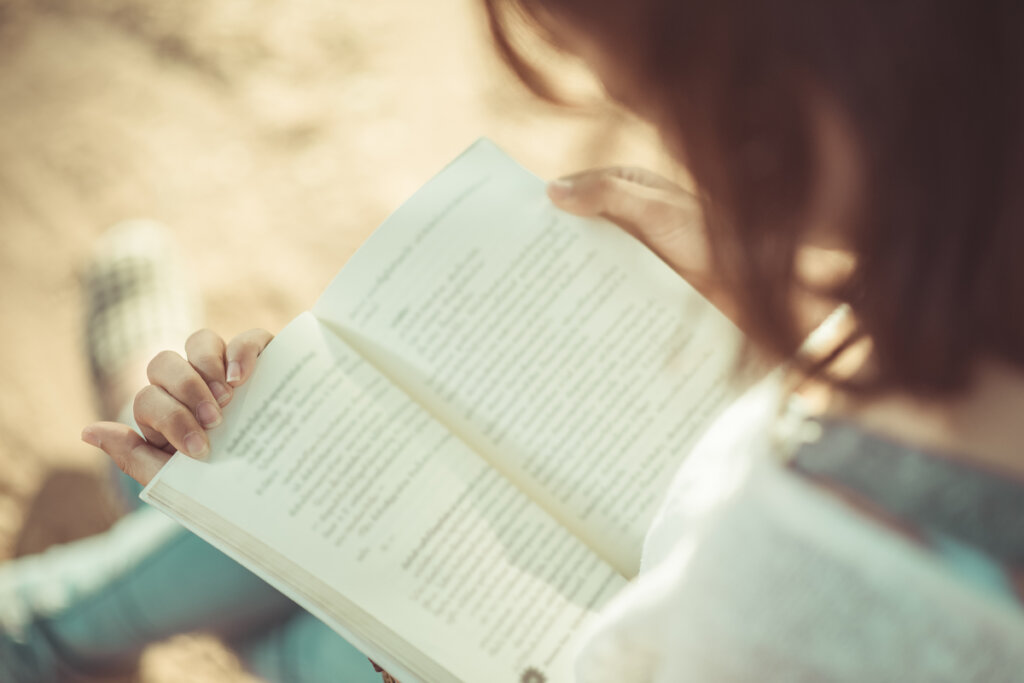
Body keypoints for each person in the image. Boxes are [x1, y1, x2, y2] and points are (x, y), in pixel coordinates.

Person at [4, 0, 1024, 680]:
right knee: (359, 443)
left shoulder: (805, 577)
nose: (679, 149)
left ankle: (63, 603)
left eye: (666, 109)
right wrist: (795, 300)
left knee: (314, 585)